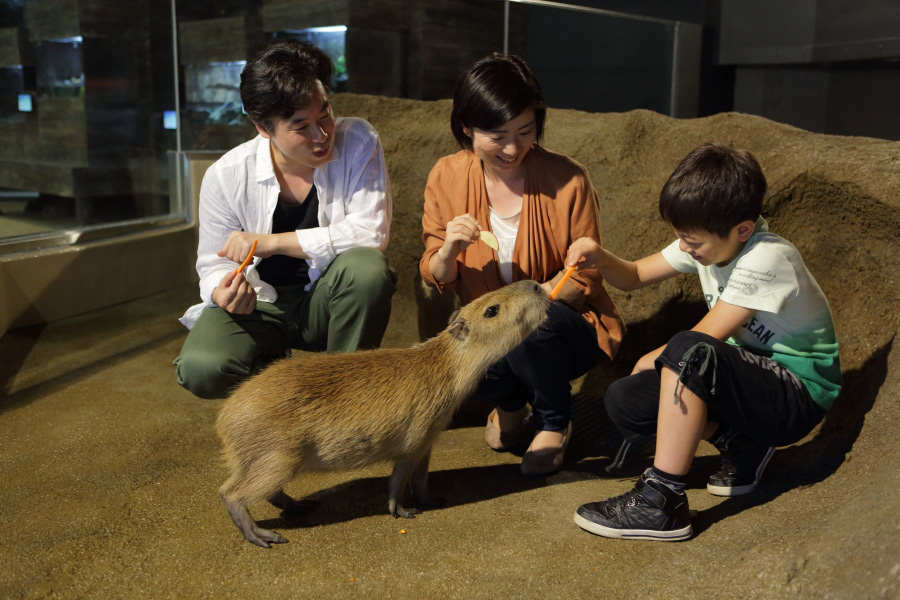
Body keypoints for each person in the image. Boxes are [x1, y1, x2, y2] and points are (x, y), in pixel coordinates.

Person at [566, 143, 841, 540]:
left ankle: (661, 500)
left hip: (798, 395)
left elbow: (706, 337)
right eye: (681, 239)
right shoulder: (707, 242)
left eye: (692, 241)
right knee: (627, 399)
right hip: (751, 385)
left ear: (742, 230)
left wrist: (655, 358)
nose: (686, 248)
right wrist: (601, 257)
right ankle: (742, 444)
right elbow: (635, 275)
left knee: (686, 350)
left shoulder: (768, 257)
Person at [419, 53, 625, 476]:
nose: (512, 148)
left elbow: (586, 276)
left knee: (531, 317)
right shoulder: (446, 175)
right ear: (466, 129)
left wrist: (532, 296)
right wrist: (449, 251)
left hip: (563, 327)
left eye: (525, 131)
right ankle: (510, 406)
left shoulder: (567, 177)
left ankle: (553, 421)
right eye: (496, 135)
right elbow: (438, 276)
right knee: (460, 332)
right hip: (490, 325)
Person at [174, 40, 396, 400]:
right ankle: (271, 367)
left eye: (325, 114)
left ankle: (342, 399)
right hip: (258, 306)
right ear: (263, 127)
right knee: (202, 369)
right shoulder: (227, 175)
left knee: (366, 268)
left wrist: (271, 242)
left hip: (326, 301)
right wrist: (222, 290)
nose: (322, 135)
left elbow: (370, 233)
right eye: (301, 126)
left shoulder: (357, 140)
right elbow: (212, 264)